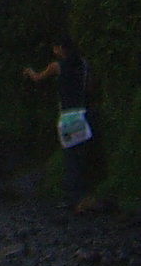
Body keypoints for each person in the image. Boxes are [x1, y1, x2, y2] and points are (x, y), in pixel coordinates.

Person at [24, 35, 106, 214]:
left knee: (71, 158)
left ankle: (75, 199)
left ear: (60, 48)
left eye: (55, 48)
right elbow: (91, 87)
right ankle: (83, 197)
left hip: (69, 116)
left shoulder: (57, 66)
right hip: (85, 113)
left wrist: (30, 72)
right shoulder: (84, 64)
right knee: (82, 156)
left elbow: (38, 78)